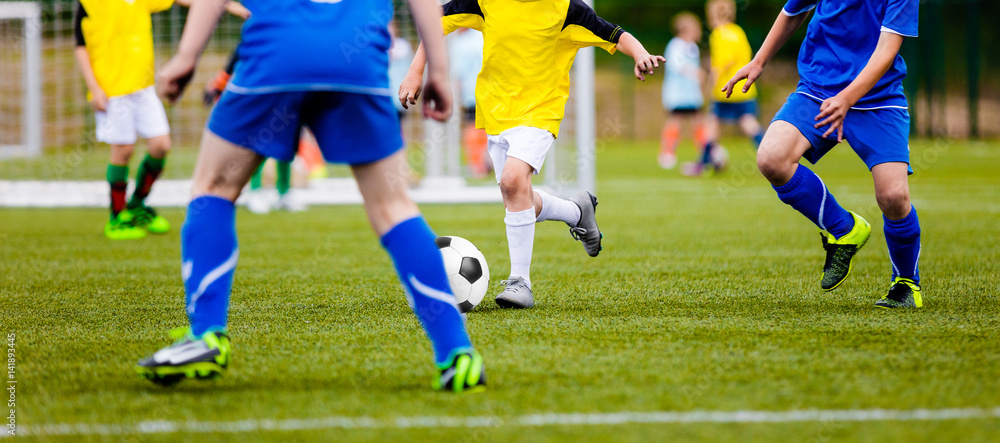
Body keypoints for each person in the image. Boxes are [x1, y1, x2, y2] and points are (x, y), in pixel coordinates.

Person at [136, 0, 487, 393]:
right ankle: (457, 353)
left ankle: (206, 334)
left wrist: (186, 55)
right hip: (356, 58)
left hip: (279, 50)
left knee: (213, 188)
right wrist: (436, 67)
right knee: (393, 206)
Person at [401, 0, 664, 309]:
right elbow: (436, 20)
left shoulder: (567, 10)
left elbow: (615, 35)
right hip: (496, 113)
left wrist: (640, 53)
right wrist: (415, 72)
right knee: (516, 197)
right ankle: (576, 212)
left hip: (540, 112)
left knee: (513, 181)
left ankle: (520, 283)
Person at [723, 0, 923, 308]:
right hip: (818, 89)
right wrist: (759, 61)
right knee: (771, 157)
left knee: (893, 196)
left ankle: (906, 283)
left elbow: (887, 49)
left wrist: (847, 98)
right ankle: (844, 229)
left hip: (880, 98)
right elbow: (793, 10)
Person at [685, 0, 764, 176]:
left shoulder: (719, 34)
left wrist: (711, 85)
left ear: (712, 14)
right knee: (748, 123)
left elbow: (723, 63)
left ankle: (702, 164)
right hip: (745, 87)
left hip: (725, 90)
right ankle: (772, 152)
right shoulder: (738, 31)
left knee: (712, 125)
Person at [659, 12, 708, 170]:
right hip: (678, 93)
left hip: (692, 94)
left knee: (698, 121)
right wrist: (696, 73)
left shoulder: (692, 47)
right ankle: (667, 153)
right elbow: (678, 66)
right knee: (676, 120)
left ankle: (704, 153)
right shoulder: (676, 45)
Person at [449, 28, 490, 178]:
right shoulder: (483, 35)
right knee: (488, 127)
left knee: (472, 126)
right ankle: (488, 161)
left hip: (471, 92)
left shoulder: (461, 42)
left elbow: (458, 73)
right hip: (491, 90)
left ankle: (477, 165)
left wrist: (457, 94)